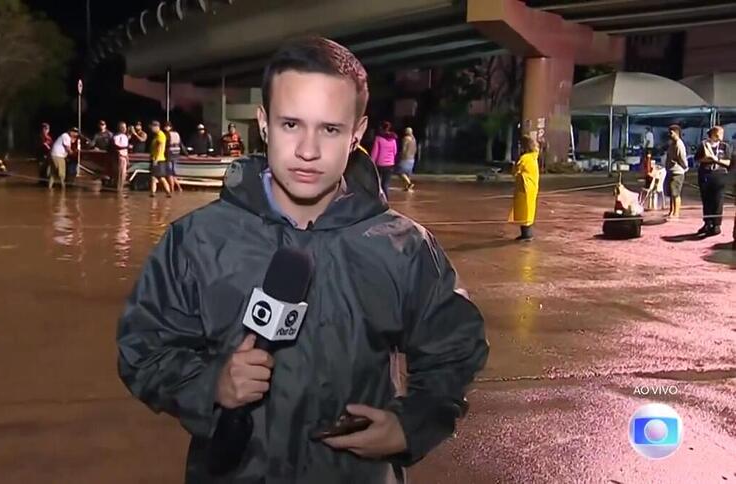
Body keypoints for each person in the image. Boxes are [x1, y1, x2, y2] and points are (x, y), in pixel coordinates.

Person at [116, 36, 488, 484]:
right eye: (291, 124)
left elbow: (455, 349)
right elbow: (144, 349)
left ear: (357, 133)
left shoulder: (404, 247)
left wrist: (413, 424)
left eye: (330, 129)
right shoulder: (196, 241)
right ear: (264, 124)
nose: (308, 150)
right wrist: (211, 383)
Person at [695, 126, 731, 236]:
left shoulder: (725, 146)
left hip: (719, 175)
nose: (722, 135)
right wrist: (707, 159)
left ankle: (716, 225)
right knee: (706, 200)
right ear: (714, 133)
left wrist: (716, 160)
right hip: (705, 174)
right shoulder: (704, 144)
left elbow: (728, 162)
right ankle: (707, 223)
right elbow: (698, 158)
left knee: (718, 200)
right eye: (720, 133)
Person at [509, 134, 540, 241]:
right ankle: (527, 234)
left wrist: (514, 163)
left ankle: (527, 235)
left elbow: (515, 172)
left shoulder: (524, 158)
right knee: (529, 210)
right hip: (531, 187)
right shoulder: (533, 156)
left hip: (524, 188)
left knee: (524, 211)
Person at [664, 125, 688, 219]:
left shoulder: (679, 144)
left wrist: (684, 167)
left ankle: (676, 213)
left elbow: (682, 158)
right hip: (671, 171)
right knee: (671, 193)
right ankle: (671, 211)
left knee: (675, 193)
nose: (669, 134)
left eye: (671, 132)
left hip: (677, 172)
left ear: (676, 133)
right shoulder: (672, 144)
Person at [370, 121, 398, 198]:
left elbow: (375, 152)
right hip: (390, 164)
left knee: (377, 182)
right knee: (386, 183)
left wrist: (372, 162)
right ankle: (386, 199)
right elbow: (394, 152)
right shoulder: (393, 139)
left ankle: (377, 199)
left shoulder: (378, 139)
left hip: (380, 164)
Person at [148, 120, 172, 197]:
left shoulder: (160, 135)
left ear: (156, 127)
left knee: (157, 177)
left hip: (158, 159)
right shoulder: (157, 135)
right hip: (157, 159)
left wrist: (156, 159)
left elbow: (160, 148)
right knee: (158, 177)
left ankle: (155, 193)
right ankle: (155, 193)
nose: (151, 129)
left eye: (152, 127)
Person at [163, 121, 184, 192]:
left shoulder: (167, 134)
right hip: (176, 154)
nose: (165, 128)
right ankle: (179, 188)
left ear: (170, 127)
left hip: (169, 154)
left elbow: (164, 145)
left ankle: (171, 189)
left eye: (166, 126)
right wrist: (186, 154)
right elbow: (181, 144)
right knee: (173, 173)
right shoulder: (177, 134)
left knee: (169, 173)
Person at [396, 127, 416, 191]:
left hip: (405, 158)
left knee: (400, 172)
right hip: (412, 158)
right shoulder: (413, 139)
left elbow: (403, 149)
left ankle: (409, 183)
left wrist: (400, 155)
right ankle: (407, 187)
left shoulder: (405, 139)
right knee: (408, 173)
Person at [113, 122, 131, 192]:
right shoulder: (116, 136)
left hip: (124, 156)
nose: (125, 129)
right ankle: (118, 189)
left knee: (123, 174)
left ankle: (120, 188)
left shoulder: (125, 136)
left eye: (125, 127)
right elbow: (116, 146)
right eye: (123, 127)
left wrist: (127, 159)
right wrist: (126, 147)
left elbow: (126, 150)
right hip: (120, 156)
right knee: (120, 174)